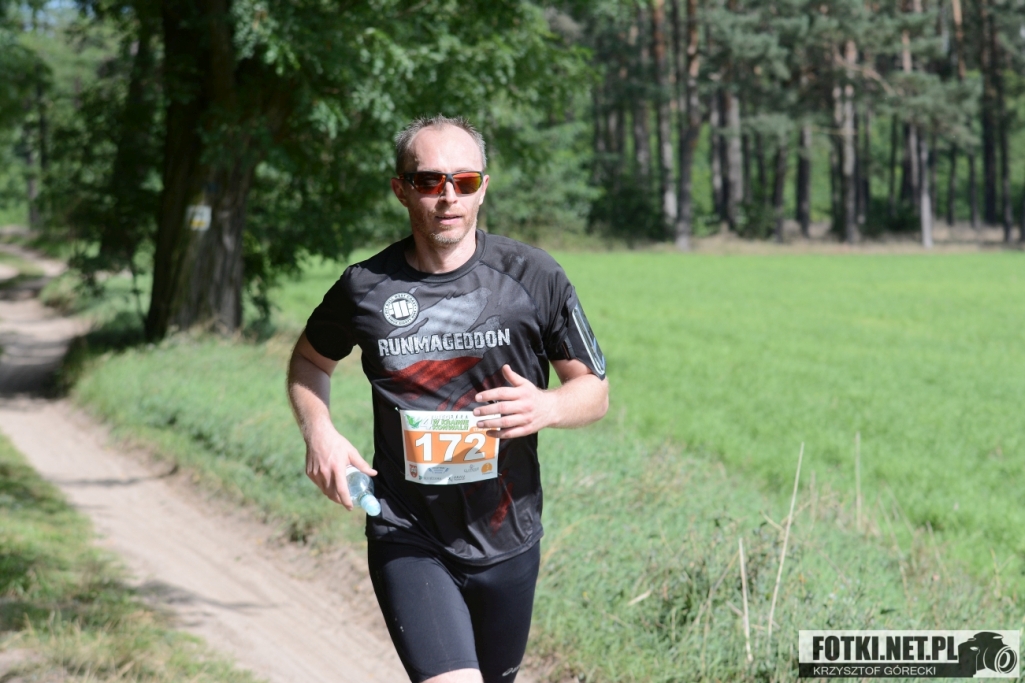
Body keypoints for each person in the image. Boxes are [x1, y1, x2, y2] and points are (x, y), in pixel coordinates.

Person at [286, 115, 608, 683]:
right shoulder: (365, 287)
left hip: (508, 536)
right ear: (401, 189)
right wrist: (320, 432)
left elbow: (594, 390)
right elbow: (309, 361)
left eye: (464, 180)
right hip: (407, 531)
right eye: (429, 180)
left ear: (483, 187)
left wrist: (549, 406)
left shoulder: (533, 275)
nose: (448, 196)